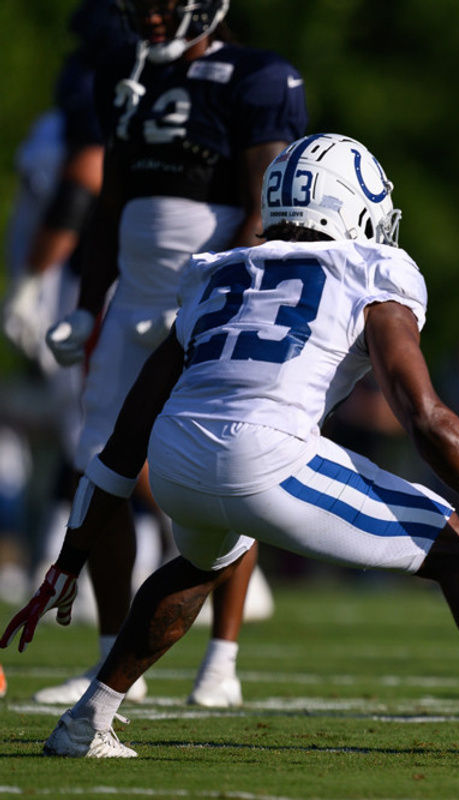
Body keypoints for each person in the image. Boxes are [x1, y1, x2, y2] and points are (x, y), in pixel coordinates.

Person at [0, 134, 459, 768]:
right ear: (354, 209)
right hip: (264, 452)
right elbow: (426, 416)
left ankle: (87, 721)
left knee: (199, 564)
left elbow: (127, 433)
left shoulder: (217, 270)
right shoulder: (375, 269)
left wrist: (69, 557)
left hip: (174, 454)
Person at [31, 0, 307, 708]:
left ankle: (223, 660)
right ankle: (113, 657)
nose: (149, 17)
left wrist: (203, 302)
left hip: (214, 301)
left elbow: (264, 210)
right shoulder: (123, 73)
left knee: (221, 463)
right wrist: (90, 305)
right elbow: (112, 204)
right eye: (139, 5)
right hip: (134, 302)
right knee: (102, 466)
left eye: (162, 3)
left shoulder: (256, 76)